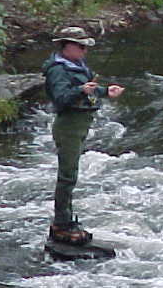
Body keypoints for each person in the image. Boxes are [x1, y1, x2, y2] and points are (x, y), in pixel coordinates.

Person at [42, 26, 124, 245]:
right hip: (69, 125)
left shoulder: (76, 65)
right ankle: (62, 222)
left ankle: (66, 219)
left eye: (85, 46)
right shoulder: (58, 70)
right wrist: (81, 91)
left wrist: (105, 91)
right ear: (66, 45)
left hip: (79, 124)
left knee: (71, 173)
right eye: (80, 46)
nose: (84, 50)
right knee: (67, 175)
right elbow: (60, 98)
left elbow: (87, 88)